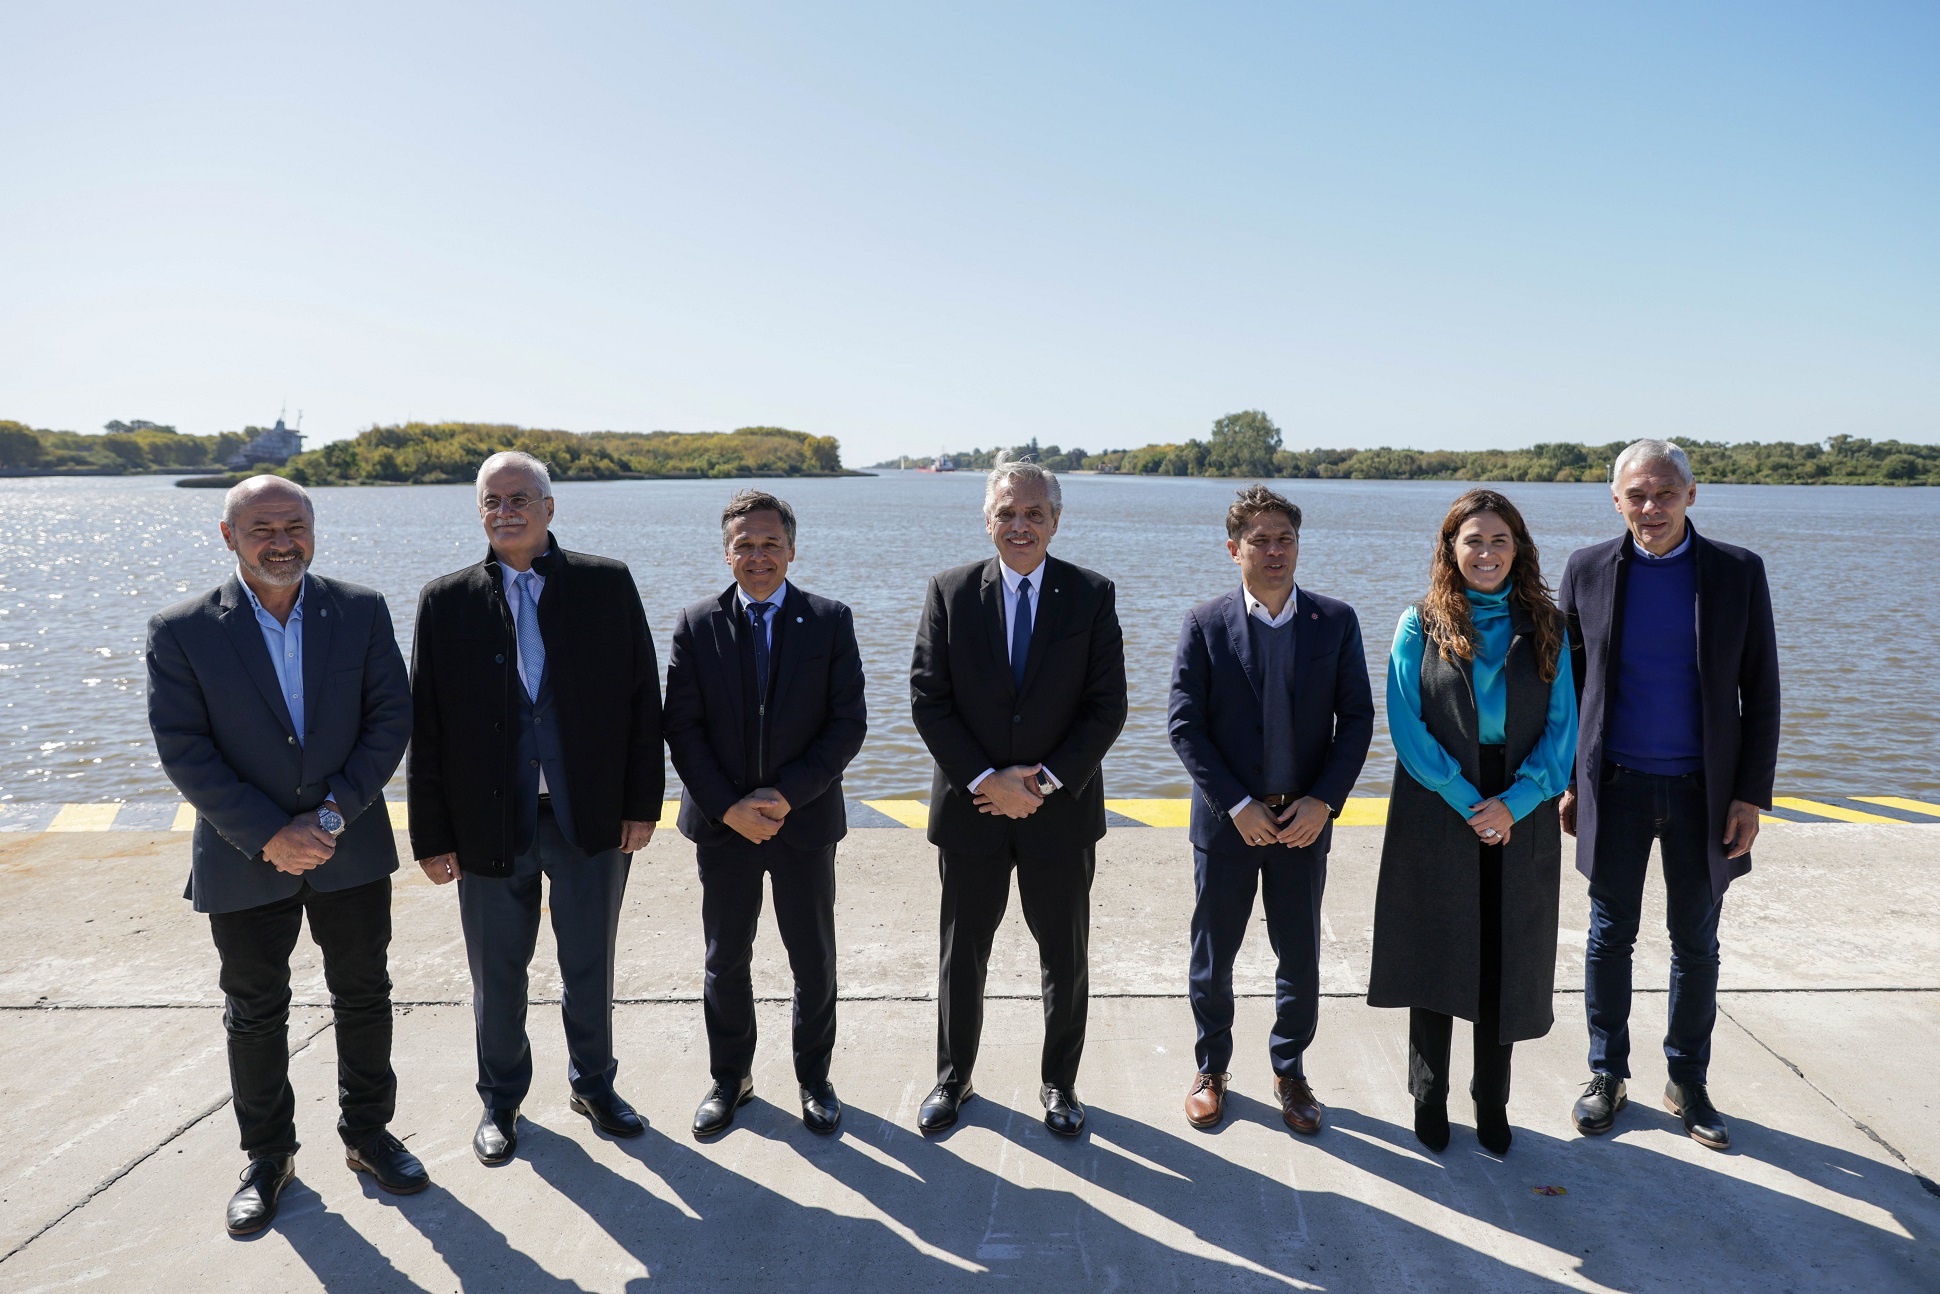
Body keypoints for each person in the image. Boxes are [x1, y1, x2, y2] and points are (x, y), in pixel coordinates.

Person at [146, 476, 425, 1235]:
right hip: (243, 856)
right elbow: (184, 749)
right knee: (255, 1010)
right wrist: (271, 833)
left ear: (313, 529)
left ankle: (368, 1135)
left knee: (364, 992)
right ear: (228, 535)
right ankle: (269, 1156)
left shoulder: (360, 609)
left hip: (350, 842)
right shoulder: (181, 629)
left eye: (294, 524)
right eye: (262, 526)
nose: (281, 540)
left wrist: (330, 815)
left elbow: (390, 717)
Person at [408, 451, 664, 1166]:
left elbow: (645, 699)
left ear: (550, 508)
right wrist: (431, 835)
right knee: (498, 972)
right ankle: (500, 1100)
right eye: (492, 501)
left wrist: (643, 804)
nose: (506, 511)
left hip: (591, 817)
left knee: (590, 962)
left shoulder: (605, 584)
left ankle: (594, 1085)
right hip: (488, 821)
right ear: (480, 512)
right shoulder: (445, 600)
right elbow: (425, 725)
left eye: (520, 498)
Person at [1559, 439, 1779, 1151]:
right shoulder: (1587, 569)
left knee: (1696, 941)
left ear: (1691, 495)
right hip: (1615, 785)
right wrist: (1568, 783)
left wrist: (1749, 795)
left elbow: (1763, 690)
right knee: (1608, 936)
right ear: (1615, 500)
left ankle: (1687, 1079)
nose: (1650, 508)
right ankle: (1606, 1073)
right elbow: (1566, 688)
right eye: (1636, 496)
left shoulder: (1738, 573)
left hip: (1703, 792)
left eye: (1664, 493)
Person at [909, 454, 1128, 1136]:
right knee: (961, 954)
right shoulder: (948, 592)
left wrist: (1041, 782)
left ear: (1056, 521)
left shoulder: (1091, 595)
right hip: (972, 812)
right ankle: (953, 1079)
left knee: (1064, 957)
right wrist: (985, 781)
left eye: (1035, 513)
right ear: (987, 521)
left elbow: (1106, 706)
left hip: (1057, 814)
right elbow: (928, 699)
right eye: (1007, 513)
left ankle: (1060, 1087)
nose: (1020, 525)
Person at [1367, 489, 1577, 1155]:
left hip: (1523, 802)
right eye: (1473, 542)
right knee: (1435, 952)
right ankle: (1429, 1097)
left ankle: (1492, 1101)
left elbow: (1564, 728)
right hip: (1439, 803)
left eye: (1498, 541)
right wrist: (1468, 802)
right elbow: (1407, 725)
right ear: (1451, 550)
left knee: (1504, 960)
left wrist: (1514, 803)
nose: (1485, 554)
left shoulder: (1549, 623)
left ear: (1518, 549)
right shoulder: (1418, 622)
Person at [1166, 485, 1374, 1134]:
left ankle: (1291, 1071)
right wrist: (1235, 804)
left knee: (1300, 956)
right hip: (1230, 826)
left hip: (1303, 824)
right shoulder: (1204, 624)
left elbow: (1359, 720)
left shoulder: (1335, 622)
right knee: (1214, 954)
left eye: (1285, 538)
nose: (1275, 550)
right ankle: (1211, 1067)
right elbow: (1184, 726)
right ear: (1234, 550)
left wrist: (1324, 802)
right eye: (1260, 539)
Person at [663, 490, 867, 1138]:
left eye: (770, 544)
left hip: (801, 823)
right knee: (726, 958)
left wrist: (785, 797)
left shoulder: (829, 621)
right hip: (722, 830)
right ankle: (732, 1080)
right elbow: (682, 728)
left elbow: (847, 725)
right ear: (728, 553)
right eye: (745, 545)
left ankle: (814, 1080)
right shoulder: (697, 625)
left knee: (813, 960)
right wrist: (728, 807)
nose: (758, 556)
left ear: (791, 550)